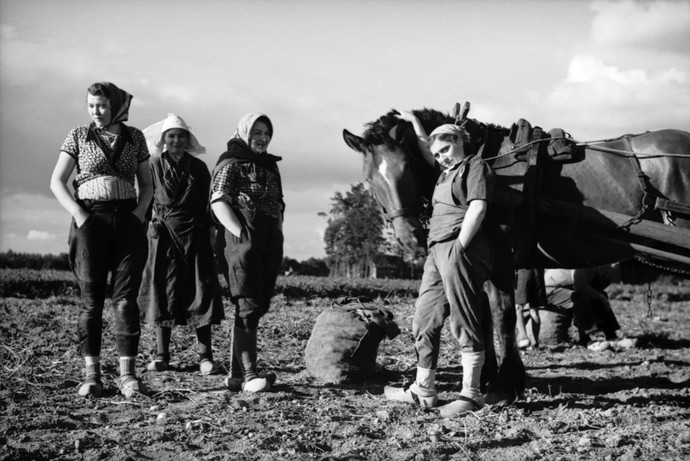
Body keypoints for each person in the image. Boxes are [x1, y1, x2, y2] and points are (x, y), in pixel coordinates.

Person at [385, 111, 494, 417]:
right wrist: (414, 121)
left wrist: (460, 246)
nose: (441, 158)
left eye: (445, 150)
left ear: (459, 141)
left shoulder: (474, 166)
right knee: (424, 317)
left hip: (461, 248)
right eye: (436, 154)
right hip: (436, 252)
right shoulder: (444, 173)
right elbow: (425, 144)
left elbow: (478, 207)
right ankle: (423, 390)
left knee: (465, 319)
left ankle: (471, 395)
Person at [49, 82, 153, 398]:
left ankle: (128, 376)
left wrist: (137, 216)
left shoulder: (135, 138)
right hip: (91, 221)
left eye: (102, 105)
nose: (96, 111)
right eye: (92, 105)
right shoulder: (78, 135)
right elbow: (57, 181)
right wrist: (80, 216)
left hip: (127, 223)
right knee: (91, 301)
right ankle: (91, 376)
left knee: (125, 300)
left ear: (117, 106)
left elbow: (147, 184)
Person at [138, 114, 224, 375]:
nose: (176, 140)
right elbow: (142, 200)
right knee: (163, 291)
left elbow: (208, 206)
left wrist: (212, 237)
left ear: (188, 140)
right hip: (163, 236)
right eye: (171, 136)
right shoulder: (152, 165)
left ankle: (205, 357)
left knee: (201, 290)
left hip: (195, 235)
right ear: (164, 139)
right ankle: (162, 355)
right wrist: (147, 226)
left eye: (181, 136)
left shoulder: (199, 168)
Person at [210, 113, 284, 392]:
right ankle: (250, 375)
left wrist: (277, 231)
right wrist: (242, 235)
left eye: (266, 133)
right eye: (256, 132)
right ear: (244, 133)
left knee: (258, 303)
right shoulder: (232, 163)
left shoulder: (268, 166)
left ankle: (236, 374)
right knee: (247, 303)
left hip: (268, 238)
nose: (262, 138)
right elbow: (218, 201)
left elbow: (277, 203)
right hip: (241, 239)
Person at [544, 265, 622, 346]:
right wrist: (601, 297)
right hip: (550, 289)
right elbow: (580, 286)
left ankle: (611, 334)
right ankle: (588, 337)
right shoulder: (581, 262)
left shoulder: (593, 264)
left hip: (566, 287)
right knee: (581, 297)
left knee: (598, 295)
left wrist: (601, 296)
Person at [514, 268, 545, 349]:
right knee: (534, 310)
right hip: (538, 271)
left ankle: (523, 339)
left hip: (524, 271)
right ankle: (535, 342)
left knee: (518, 307)